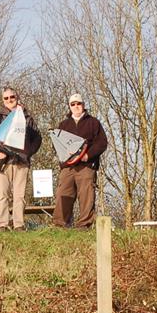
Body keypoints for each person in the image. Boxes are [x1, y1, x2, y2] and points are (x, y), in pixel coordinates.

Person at [0, 85, 42, 231]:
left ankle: (18, 224)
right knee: (2, 195)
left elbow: (37, 138)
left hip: (21, 162)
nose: (9, 100)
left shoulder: (27, 117)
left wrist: (28, 152)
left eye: (12, 97)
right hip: (3, 162)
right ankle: (3, 224)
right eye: (6, 98)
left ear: (17, 98)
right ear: (3, 100)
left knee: (20, 195)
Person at [52, 93, 108, 228]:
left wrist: (88, 155)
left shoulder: (94, 123)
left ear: (83, 105)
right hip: (68, 167)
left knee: (86, 196)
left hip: (86, 166)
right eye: (73, 104)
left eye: (79, 103)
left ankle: (84, 225)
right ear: (69, 107)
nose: (76, 106)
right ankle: (60, 224)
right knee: (63, 194)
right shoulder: (63, 124)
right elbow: (56, 144)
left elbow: (102, 143)